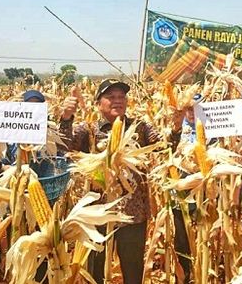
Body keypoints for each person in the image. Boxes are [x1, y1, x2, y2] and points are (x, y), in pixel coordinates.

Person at [59, 78, 165, 284]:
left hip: (132, 215)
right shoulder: (88, 130)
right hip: (97, 215)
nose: (118, 101)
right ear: (99, 103)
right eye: (111, 97)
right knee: (94, 272)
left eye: (121, 97)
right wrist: (66, 118)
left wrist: (178, 123)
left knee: (133, 272)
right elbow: (63, 148)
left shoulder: (140, 127)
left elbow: (164, 144)